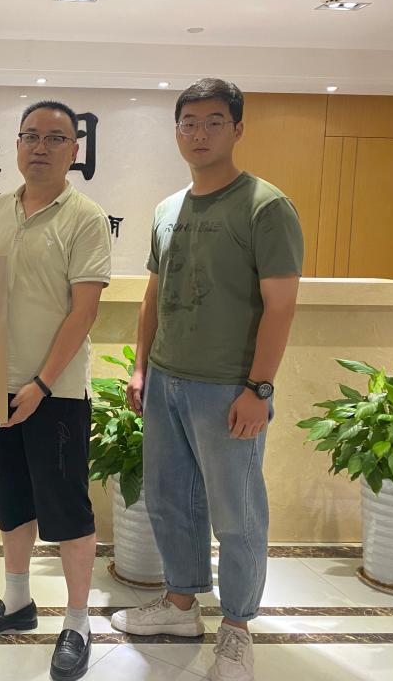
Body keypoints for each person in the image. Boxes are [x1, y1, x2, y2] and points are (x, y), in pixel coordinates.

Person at [111, 78, 303, 681]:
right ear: (176, 131)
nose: (199, 134)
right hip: (167, 380)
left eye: (214, 122)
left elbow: (280, 306)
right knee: (170, 500)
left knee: (238, 514)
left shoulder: (265, 207)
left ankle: (238, 629)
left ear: (237, 129)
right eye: (188, 123)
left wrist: (259, 388)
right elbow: (153, 295)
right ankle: (179, 604)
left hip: (228, 388)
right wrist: (141, 367)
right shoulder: (168, 209)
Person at [0, 101, 111, 681]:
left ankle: (77, 622)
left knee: (67, 507)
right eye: (30, 136)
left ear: (75, 150)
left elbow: (84, 311)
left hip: (57, 393)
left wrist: (41, 384)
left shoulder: (85, 218)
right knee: (10, 498)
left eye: (55, 138)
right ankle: (18, 602)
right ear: (17, 145)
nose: (40, 147)